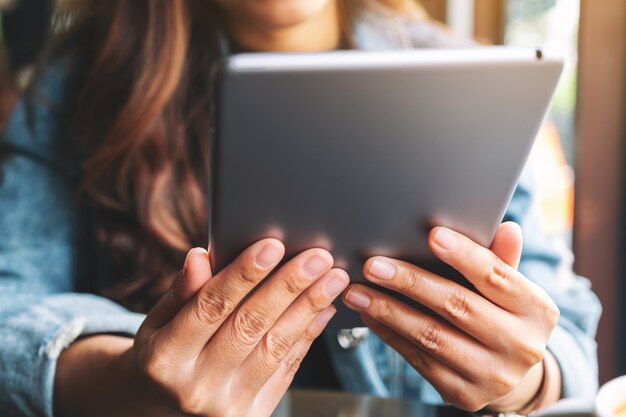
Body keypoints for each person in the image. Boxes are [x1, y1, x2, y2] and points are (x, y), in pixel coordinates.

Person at [0, 1, 601, 416]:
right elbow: (11, 314)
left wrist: (526, 378)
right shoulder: (75, 88)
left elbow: (566, 330)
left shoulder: (471, 81)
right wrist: (125, 381)